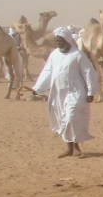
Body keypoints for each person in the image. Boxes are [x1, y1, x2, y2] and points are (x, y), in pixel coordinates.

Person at [32, 26, 99, 158]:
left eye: (60, 40)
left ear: (67, 40)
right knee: (63, 119)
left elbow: (88, 72)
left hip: (76, 92)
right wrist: (38, 88)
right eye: (56, 41)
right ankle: (69, 148)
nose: (58, 43)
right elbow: (48, 71)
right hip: (58, 93)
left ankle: (76, 146)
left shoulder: (78, 55)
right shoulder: (54, 54)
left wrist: (91, 91)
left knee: (72, 117)